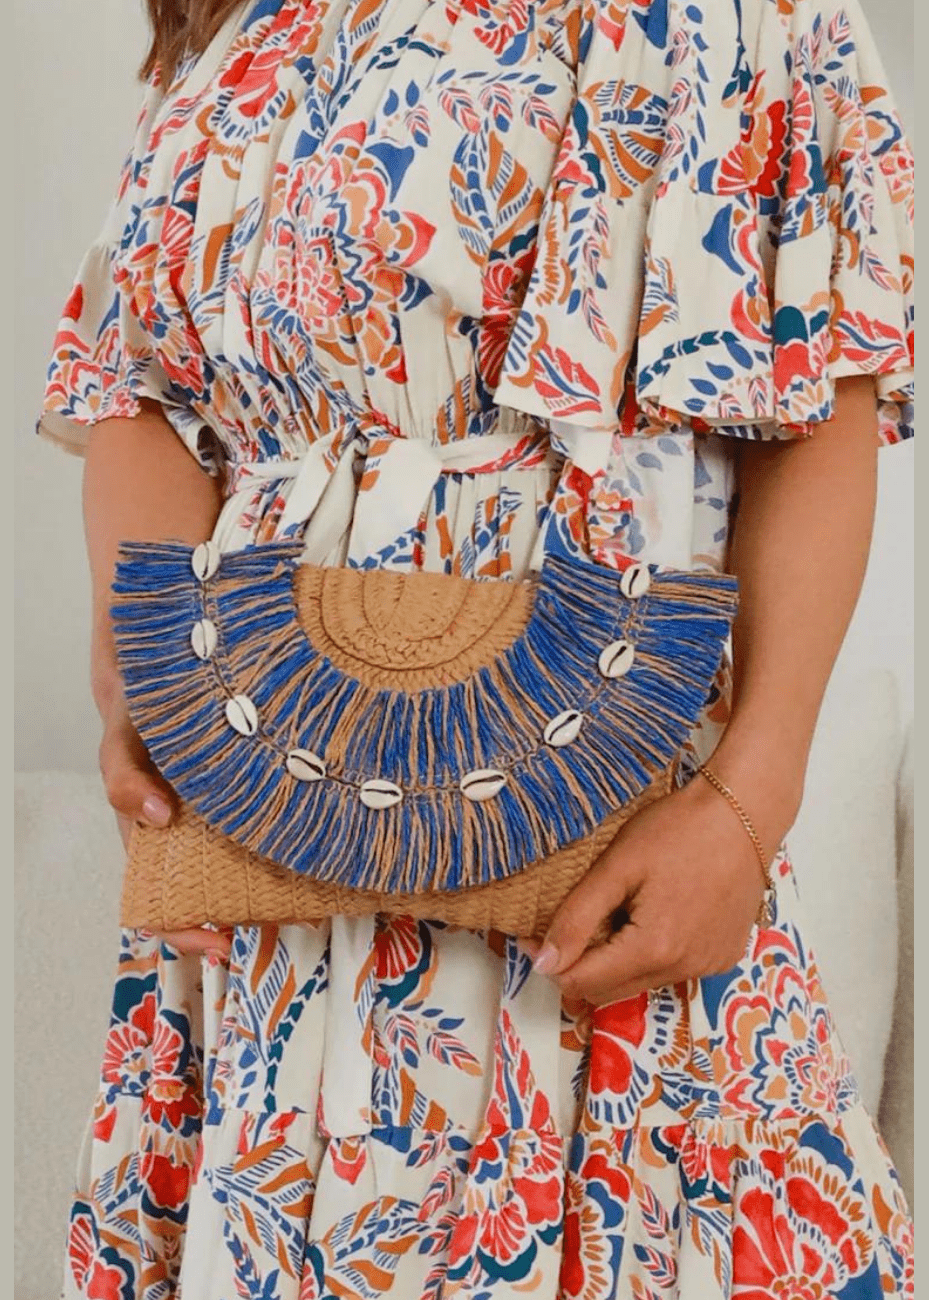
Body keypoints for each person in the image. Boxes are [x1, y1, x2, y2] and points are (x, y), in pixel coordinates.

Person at [37, 0, 914, 1294]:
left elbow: (820, 370)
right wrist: (147, 671)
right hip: (256, 817)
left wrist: (749, 800)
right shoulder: (236, 22)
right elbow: (139, 387)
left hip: (591, 808)